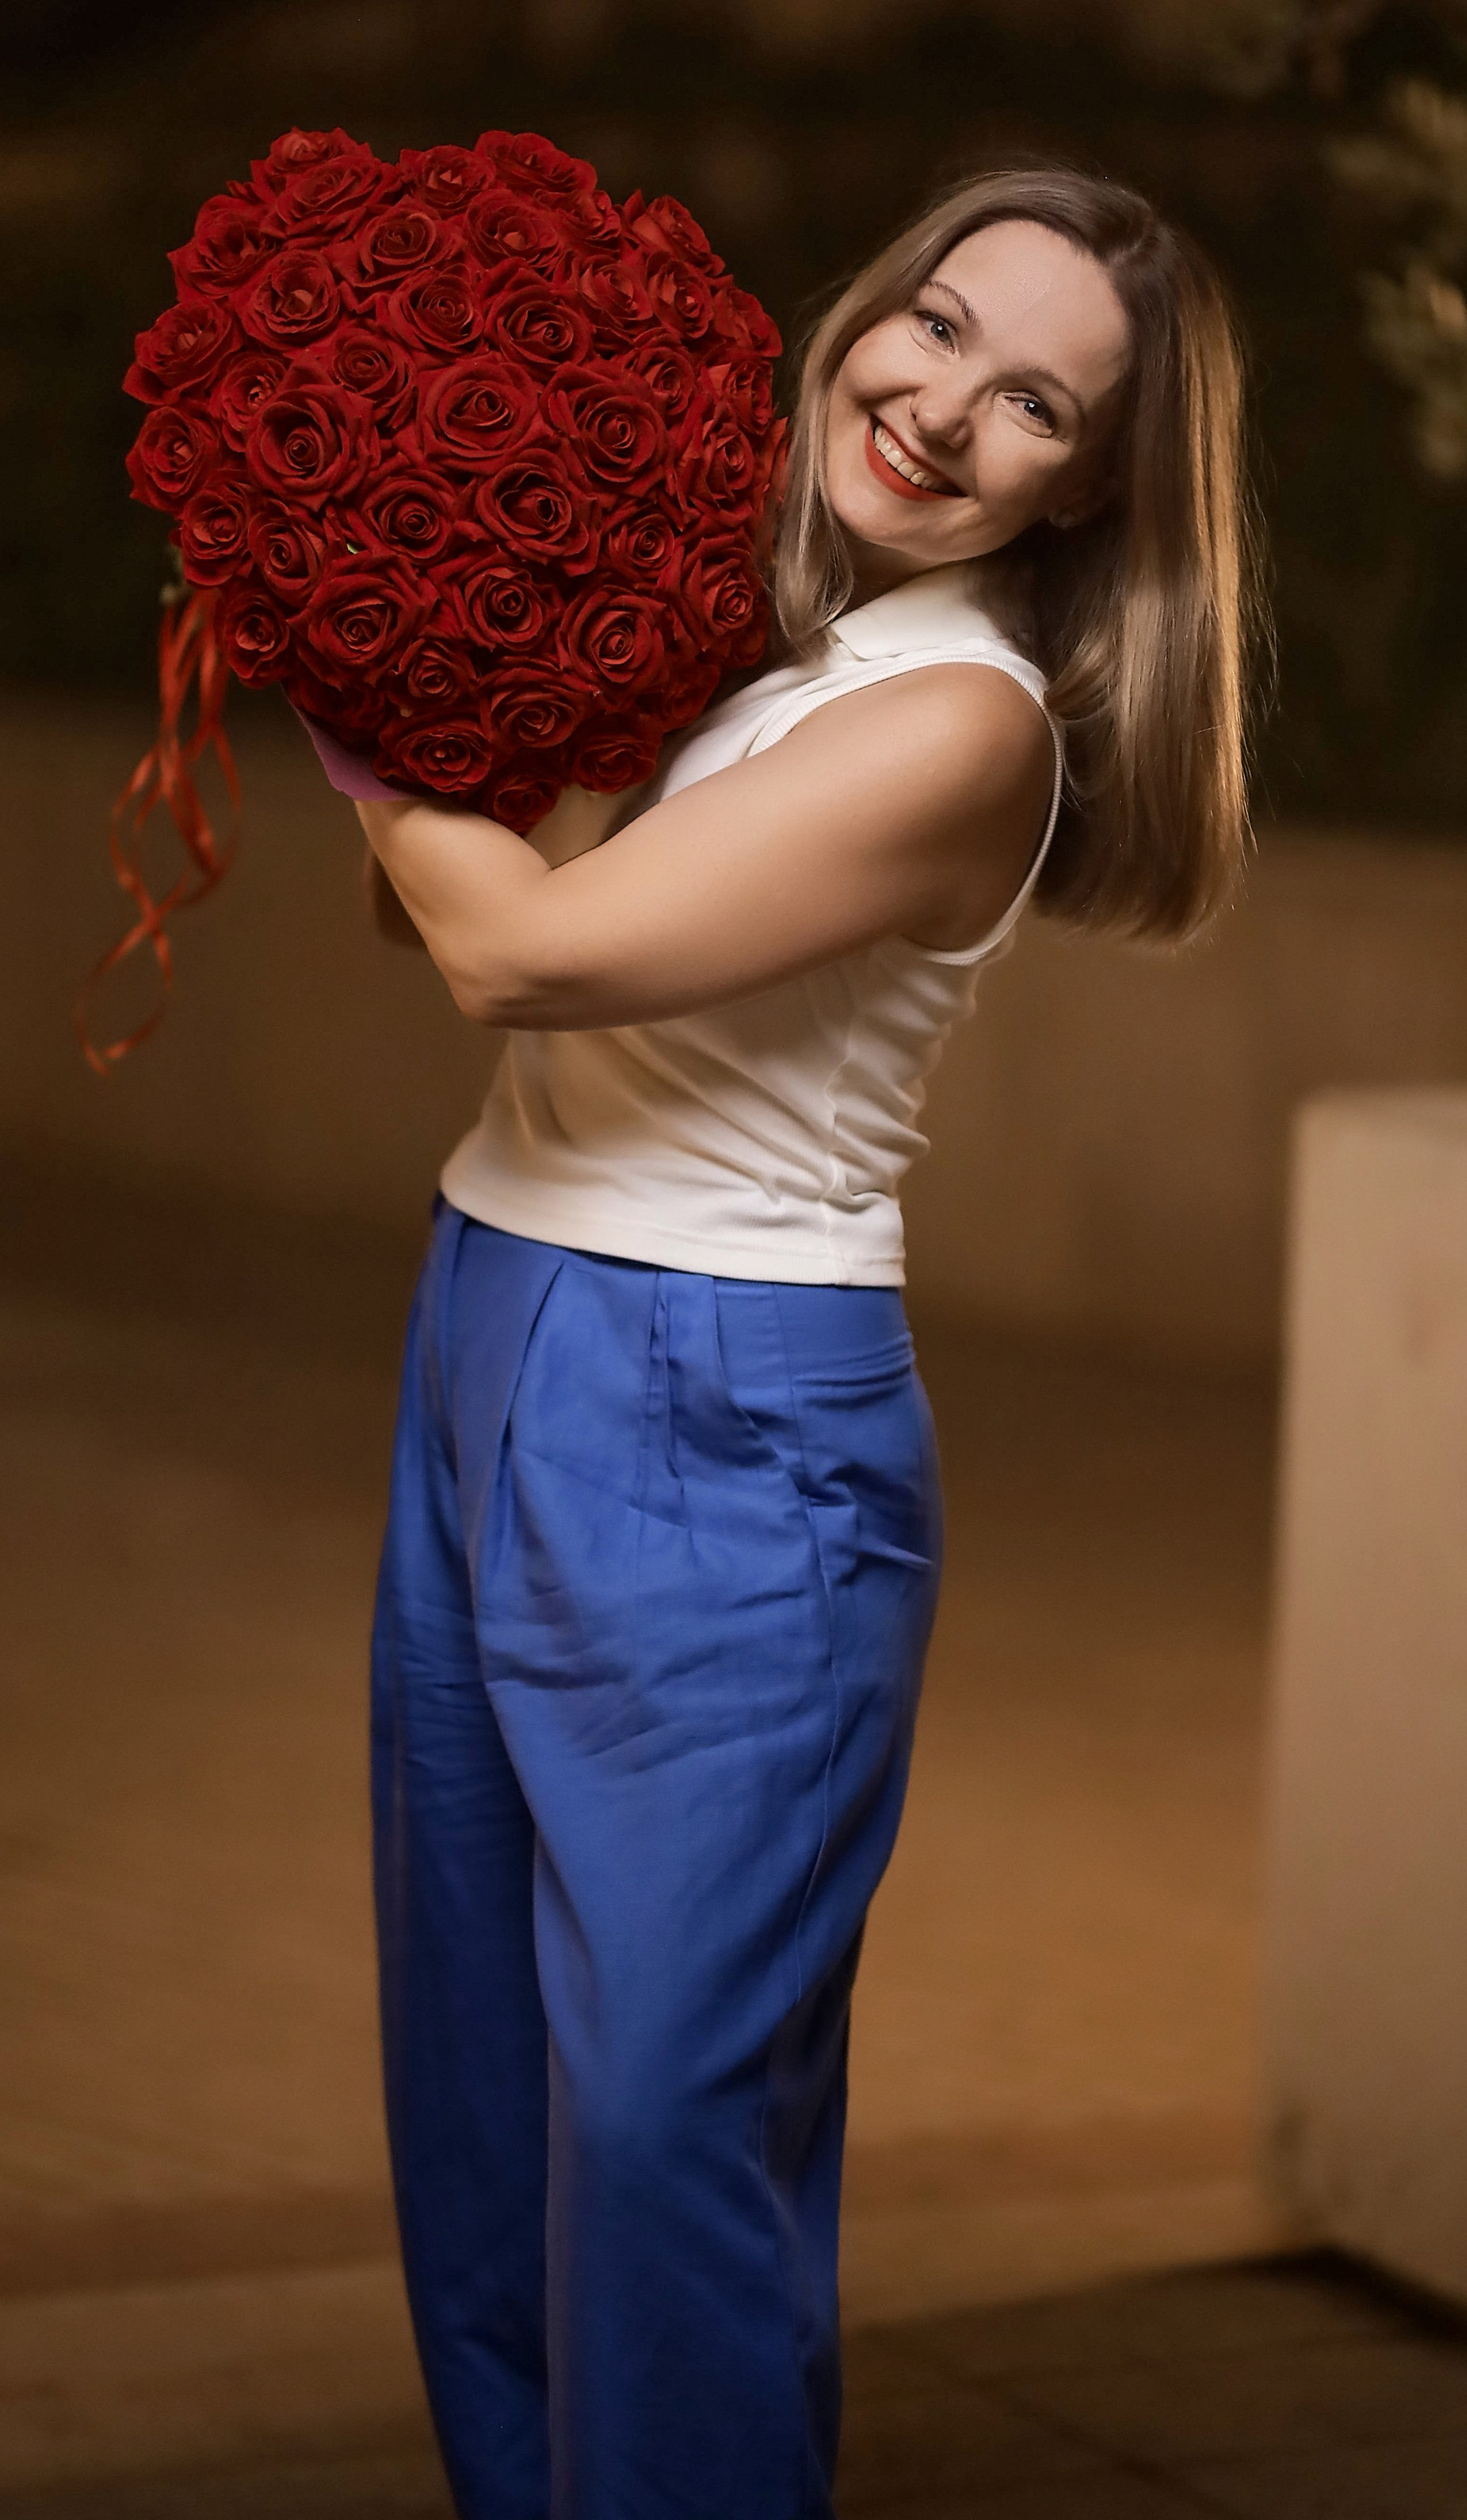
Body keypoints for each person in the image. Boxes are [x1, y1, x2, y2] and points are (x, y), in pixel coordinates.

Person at [350, 162, 1255, 2520]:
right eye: (937, 326)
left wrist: (323, 617)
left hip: (722, 1414)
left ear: (1094, 488)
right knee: (484, 2098)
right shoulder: (764, 638)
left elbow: (512, 951)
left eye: (1034, 398)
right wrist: (431, 578)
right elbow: (442, 896)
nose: (942, 406)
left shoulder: (966, 725)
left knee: (658, 2134)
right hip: (500, 1315)